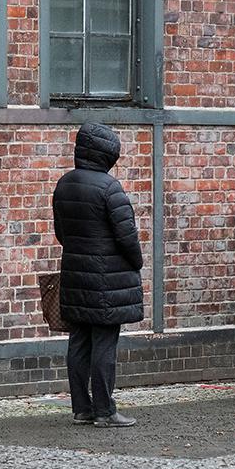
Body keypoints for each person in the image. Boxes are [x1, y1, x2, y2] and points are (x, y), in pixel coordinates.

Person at [52, 123, 144, 426]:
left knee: (78, 341)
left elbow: (61, 234)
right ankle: (106, 410)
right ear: (108, 154)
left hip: (75, 274)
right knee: (104, 343)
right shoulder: (109, 188)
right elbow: (126, 236)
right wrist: (137, 261)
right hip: (108, 279)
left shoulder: (64, 184)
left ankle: (82, 408)